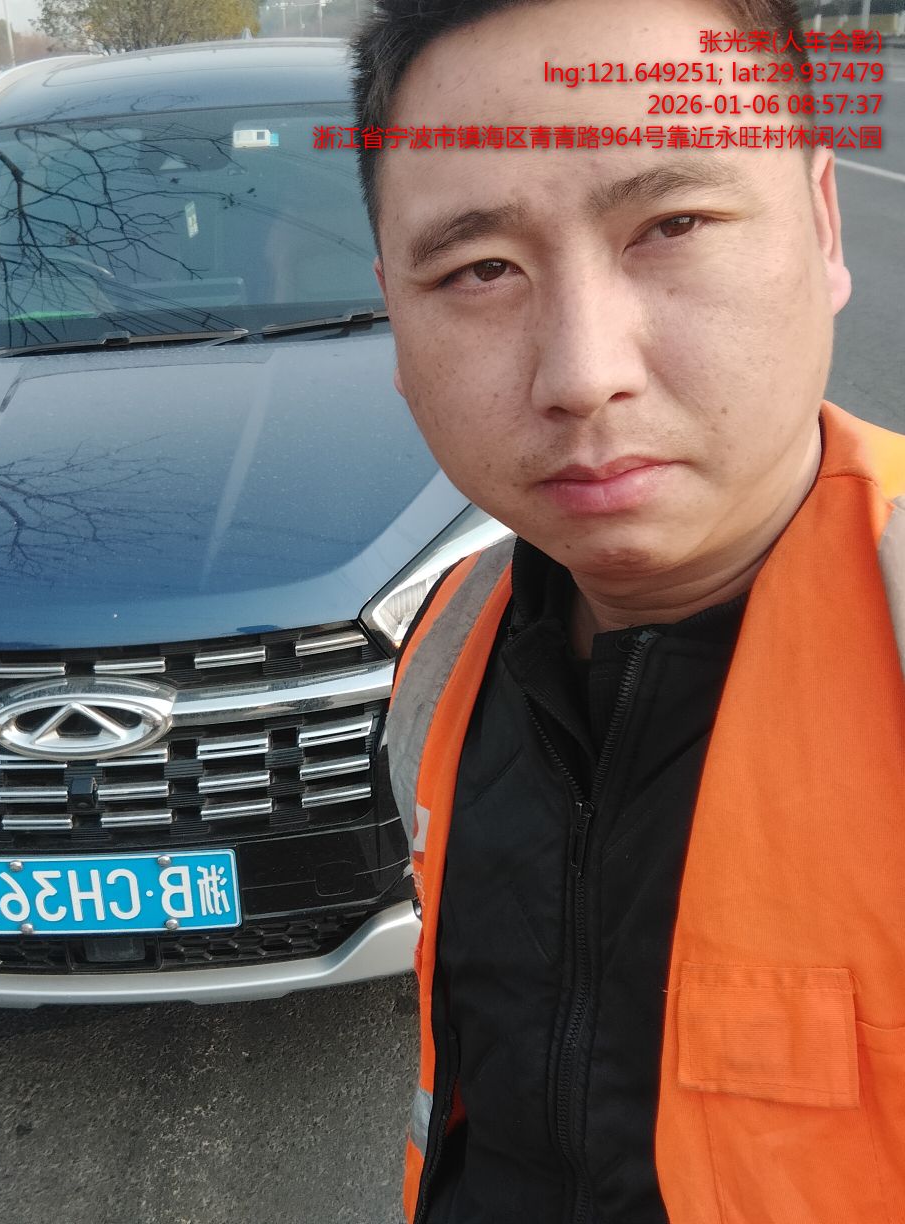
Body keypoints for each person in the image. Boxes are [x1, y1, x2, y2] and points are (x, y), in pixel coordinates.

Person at [349, 0, 905, 1221]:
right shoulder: (449, 647)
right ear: (395, 310)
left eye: (672, 224)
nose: (582, 372)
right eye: (482, 271)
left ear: (821, 225)